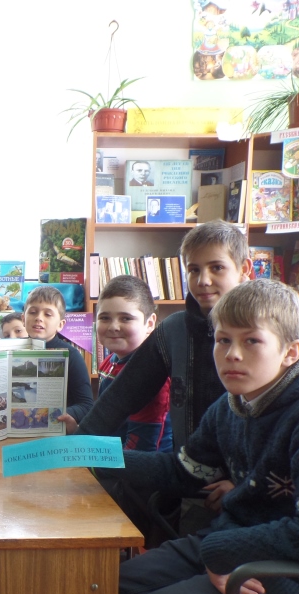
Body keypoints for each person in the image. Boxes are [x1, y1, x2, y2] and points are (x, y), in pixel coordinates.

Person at [114, 279, 299, 594]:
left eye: (251, 340)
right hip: (226, 544)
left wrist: (221, 551)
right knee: (95, 586)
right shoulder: (233, 404)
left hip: (287, 576)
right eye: (223, 340)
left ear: (290, 353)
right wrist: (94, 457)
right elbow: (185, 473)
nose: (232, 353)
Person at [74, 220, 252, 537]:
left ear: (244, 269)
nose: (203, 280)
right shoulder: (174, 330)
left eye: (216, 268)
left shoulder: (265, 333)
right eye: (193, 269)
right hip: (188, 486)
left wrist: (247, 484)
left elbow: (280, 426)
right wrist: (78, 447)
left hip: (247, 498)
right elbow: (120, 398)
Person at [94, 275, 173, 453]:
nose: (113, 326)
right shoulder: (109, 362)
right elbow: (103, 419)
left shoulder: (152, 376)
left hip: (140, 464)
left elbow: (144, 447)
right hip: (110, 455)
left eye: (126, 318)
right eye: (105, 318)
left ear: (149, 323)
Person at [23, 285, 94, 421]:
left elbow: (86, 406)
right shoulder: (10, 350)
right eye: (33, 312)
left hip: (55, 425)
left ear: (60, 325)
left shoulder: (71, 355)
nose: (39, 318)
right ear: (23, 319)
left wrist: (55, 414)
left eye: (48, 314)